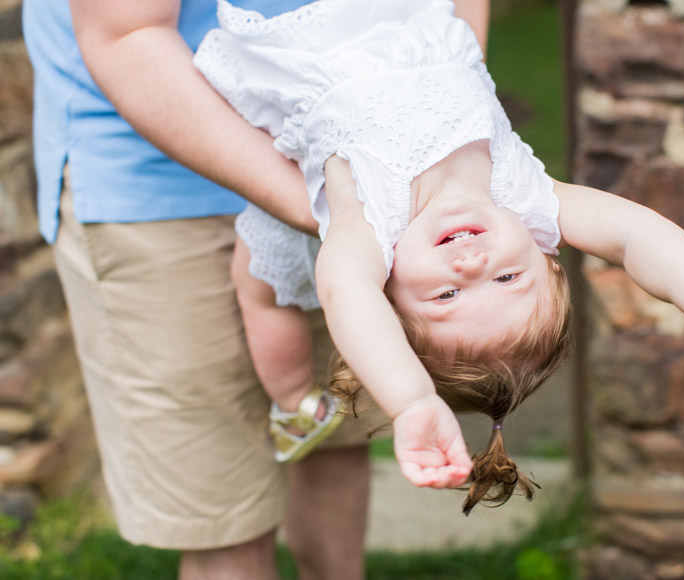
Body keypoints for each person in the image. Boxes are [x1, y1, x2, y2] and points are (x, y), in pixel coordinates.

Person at [191, 0, 684, 516]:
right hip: (402, 18)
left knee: (263, 292)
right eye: (508, 276)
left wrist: (412, 400)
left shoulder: (371, 230)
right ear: (544, 251)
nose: (471, 267)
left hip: (313, 50)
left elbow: (343, 293)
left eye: (446, 297)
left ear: (388, 289)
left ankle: (293, 402)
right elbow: (631, 235)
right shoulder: (525, 200)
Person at [22, 0, 488, 578]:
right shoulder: (337, 204)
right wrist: (327, 206)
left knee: (333, 439)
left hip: (352, 152)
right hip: (158, 167)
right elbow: (128, 33)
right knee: (228, 523)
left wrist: (437, 133)